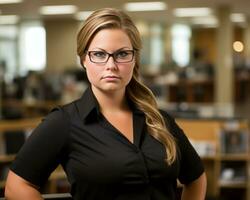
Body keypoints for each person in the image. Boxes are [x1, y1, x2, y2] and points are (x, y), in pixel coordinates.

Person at [5, 8, 206, 200]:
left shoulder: (160, 120)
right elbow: (17, 187)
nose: (111, 65)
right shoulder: (64, 122)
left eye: (122, 54)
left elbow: (196, 179)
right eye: (99, 54)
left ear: (134, 58)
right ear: (84, 59)